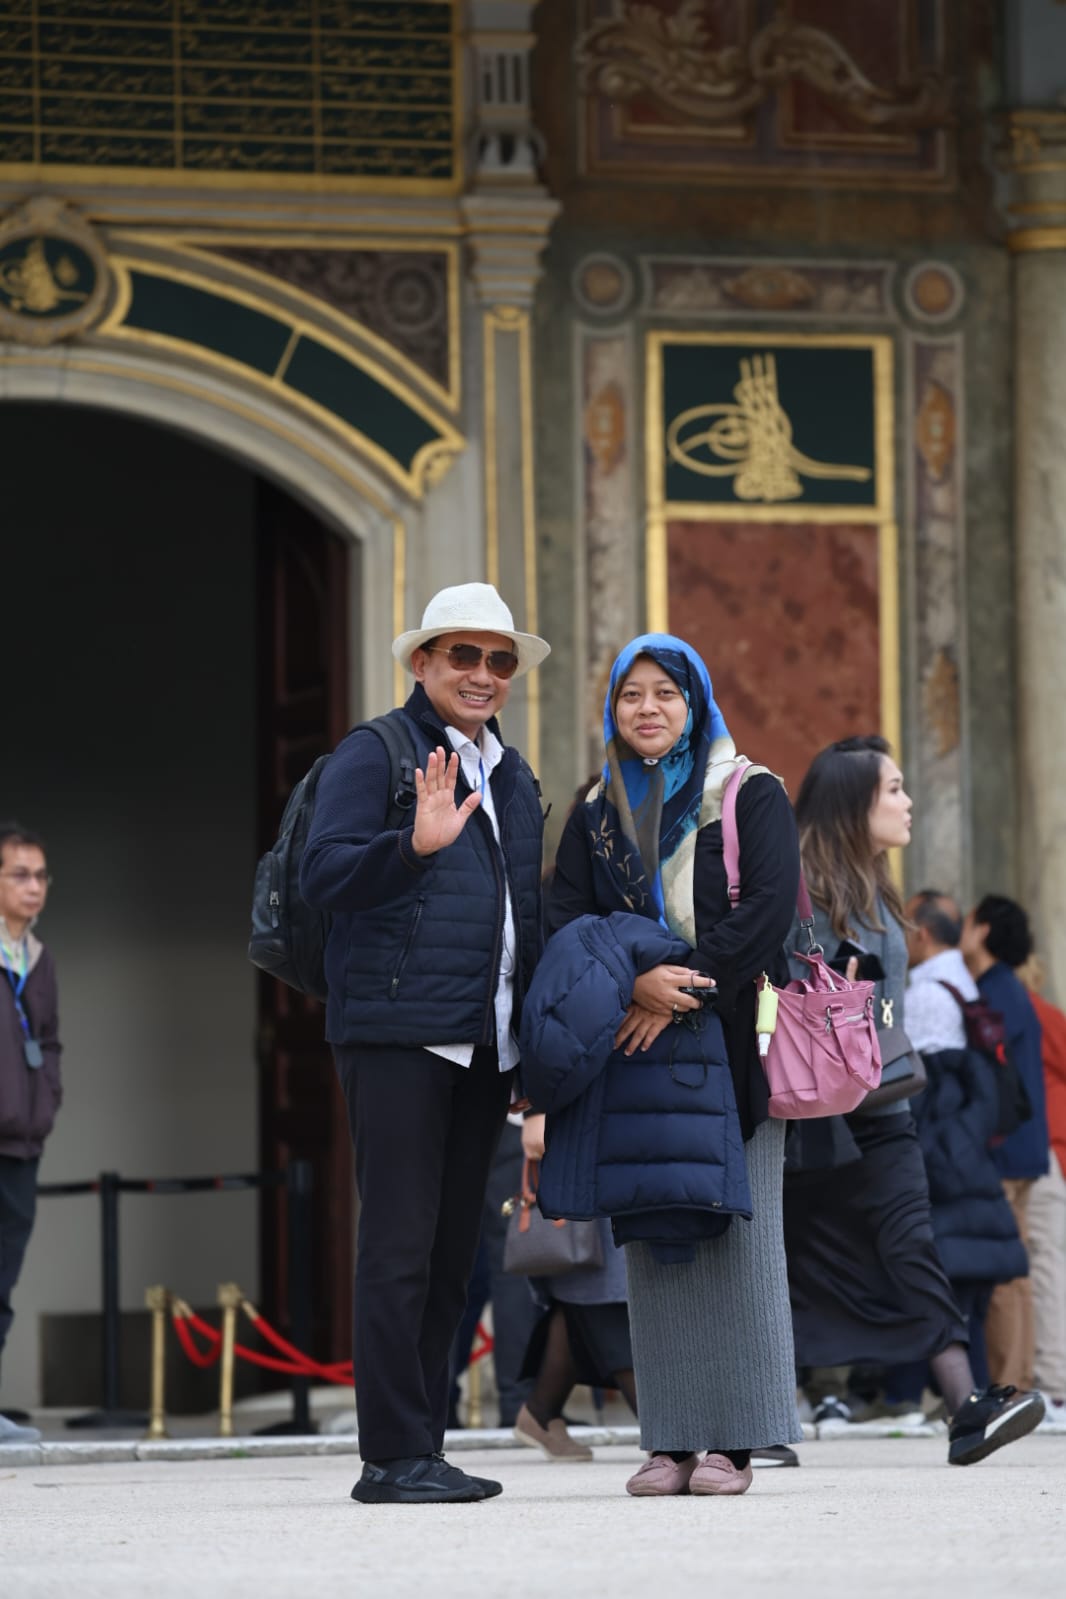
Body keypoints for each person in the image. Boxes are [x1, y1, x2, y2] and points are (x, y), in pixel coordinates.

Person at [300, 583, 549, 1505]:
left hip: (485, 1044)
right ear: (422, 662)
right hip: (399, 1034)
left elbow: (527, 916)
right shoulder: (375, 751)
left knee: (452, 1257)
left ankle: (422, 1446)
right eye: (463, 655)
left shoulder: (512, 773)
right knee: (399, 1246)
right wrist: (411, 844)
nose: (483, 674)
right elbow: (325, 873)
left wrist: (533, 1049)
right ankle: (390, 1455)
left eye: (499, 660)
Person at [537, 633, 803, 1497]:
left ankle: (740, 1440)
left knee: (741, 1242)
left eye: (664, 692)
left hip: (730, 1043)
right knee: (653, 1250)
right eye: (630, 694)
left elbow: (767, 910)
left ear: (695, 702)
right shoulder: (596, 808)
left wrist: (680, 986)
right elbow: (568, 922)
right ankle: (672, 1439)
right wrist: (633, 982)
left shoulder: (748, 791)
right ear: (611, 708)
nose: (646, 708)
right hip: (636, 1046)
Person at [782, 737, 1044, 1465]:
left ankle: (966, 1407)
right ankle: (757, 1411)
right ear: (854, 804)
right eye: (893, 789)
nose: (908, 802)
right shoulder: (799, 888)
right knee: (793, 1260)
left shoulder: (877, 887)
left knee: (911, 1243)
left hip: (882, 1105)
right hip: (808, 1112)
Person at [882, 890, 1027, 1408]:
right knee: (961, 1289)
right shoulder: (963, 982)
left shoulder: (925, 992)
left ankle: (918, 1395)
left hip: (941, 1151)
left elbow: (914, 1078)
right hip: (968, 1152)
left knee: (931, 1275)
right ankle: (963, 1393)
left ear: (921, 934)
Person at [511, 1109, 636, 1461]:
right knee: (602, 1280)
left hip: (615, 1124)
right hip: (573, 1122)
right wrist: (535, 1110)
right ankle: (665, 1433)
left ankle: (540, 1411)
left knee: (592, 1283)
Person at [961, 895, 1049, 1392]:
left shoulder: (996, 992)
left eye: (970, 920)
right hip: (1022, 1149)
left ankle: (1009, 1386)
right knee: (1013, 1271)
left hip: (1006, 1151)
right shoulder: (1008, 989)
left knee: (1004, 1275)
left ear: (984, 930)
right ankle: (1017, 1382)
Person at [0, 822, 61, 1448]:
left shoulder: (38, 958)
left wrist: (45, 1107)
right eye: (19, 874)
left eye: (41, 875)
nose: (34, 886)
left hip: (22, 1143)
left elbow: (50, 1042)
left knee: (2, 1281)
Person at [1015, 956, 1066, 1430]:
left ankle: (1054, 1386)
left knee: (1043, 1264)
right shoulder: (1032, 1008)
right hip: (1042, 1150)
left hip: (1045, 1151)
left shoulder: (1034, 1011)